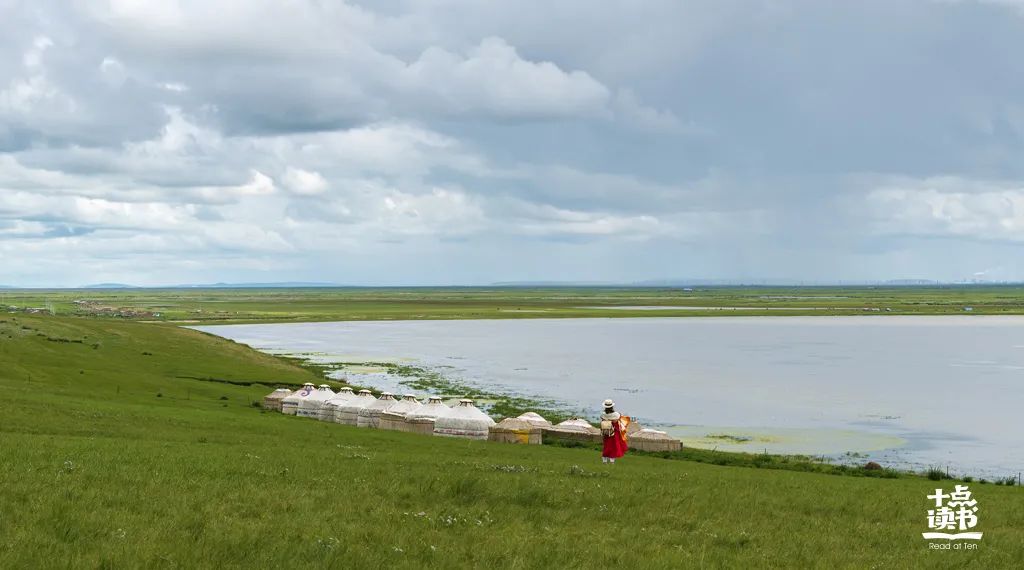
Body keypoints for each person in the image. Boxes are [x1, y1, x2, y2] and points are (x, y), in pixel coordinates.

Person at [600, 399, 629, 463]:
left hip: (606, 432)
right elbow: (619, 418)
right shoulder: (616, 414)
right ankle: (611, 461)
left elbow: (602, 419)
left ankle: (604, 460)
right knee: (613, 446)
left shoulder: (603, 415)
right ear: (612, 406)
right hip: (614, 432)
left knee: (606, 446)